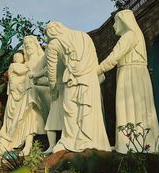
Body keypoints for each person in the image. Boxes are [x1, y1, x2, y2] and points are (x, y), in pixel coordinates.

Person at [97, 9, 159, 153]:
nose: (114, 26)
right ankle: (141, 143)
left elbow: (114, 57)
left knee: (129, 106)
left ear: (123, 22)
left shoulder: (129, 35)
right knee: (138, 108)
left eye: (116, 23)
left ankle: (130, 145)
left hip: (130, 74)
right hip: (137, 73)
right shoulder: (136, 35)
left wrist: (96, 70)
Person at [45, 22, 111, 153]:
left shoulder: (53, 44)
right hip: (90, 79)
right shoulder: (84, 36)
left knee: (70, 110)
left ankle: (70, 140)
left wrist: (53, 88)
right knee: (88, 109)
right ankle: (91, 140)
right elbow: (94, 59)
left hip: (72, 79)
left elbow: (51, 70)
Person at [0, 52, 45, 155]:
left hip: (24, 94)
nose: (18, 58)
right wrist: (28, 66)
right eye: (16, 57)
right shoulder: (14, 66)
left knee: (26, 117)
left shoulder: (24, 67)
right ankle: (11, 139)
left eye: (20, 57)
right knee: (13, 119)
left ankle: (25, 144)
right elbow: (20, 71)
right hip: (15, 95)